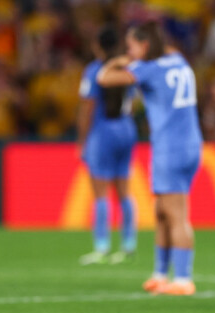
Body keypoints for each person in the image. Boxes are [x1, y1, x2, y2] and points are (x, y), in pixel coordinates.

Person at [97, 21, 202, 296]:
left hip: (170, 147)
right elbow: (166, 50)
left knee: (176, 214)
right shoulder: (177, 59)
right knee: (163, 212)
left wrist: (119, 61)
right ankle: (159, 274)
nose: (129, 52)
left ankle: (182, 279)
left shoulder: (148, 69)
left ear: (144, 45)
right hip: (190, 145)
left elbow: (104, 78)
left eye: (131, 46)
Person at [77, 26, 137, 265]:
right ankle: (128, 245)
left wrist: (82, 140)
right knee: (124, 191)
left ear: (98, 46)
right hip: (127, 128)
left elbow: (87, 107)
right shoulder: (127, 69)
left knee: (100, 193)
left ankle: (101, 247)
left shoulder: (94, 71)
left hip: (103, 131)